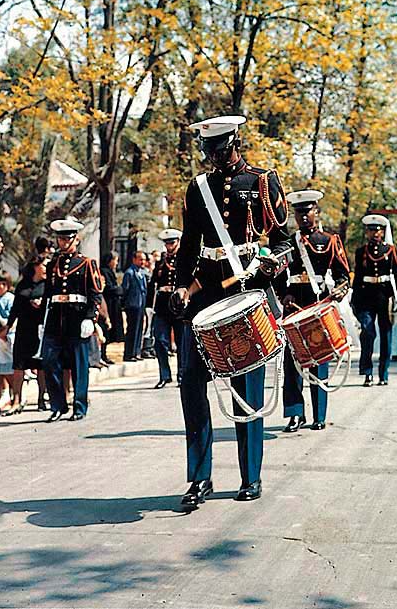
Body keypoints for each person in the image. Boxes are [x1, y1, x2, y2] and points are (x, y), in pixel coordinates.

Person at [171, 115, 291, 507]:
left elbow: (283, 241)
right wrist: (178, 285)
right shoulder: (198, 187)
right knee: (190, 381)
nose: (215, 159)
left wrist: (274, 262)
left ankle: (250, 476)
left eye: (220, 151)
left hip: (246, 291)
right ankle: (199, 478)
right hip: (206, 293)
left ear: (235, 143)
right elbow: (189, 243)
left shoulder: (261, 182)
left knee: (247, 390)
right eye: (209, 152)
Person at [281, 190, 350, 433]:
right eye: (298, 213)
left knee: (320, 358)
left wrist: (339, 292)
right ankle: (295, 414)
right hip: (293, 305)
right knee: (292, 362)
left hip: (318, 302)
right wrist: (283, 293)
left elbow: (343, 275)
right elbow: (278, 275)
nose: (303, 217)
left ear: (316, 212)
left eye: (307, 212)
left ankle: (318, 415)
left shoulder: (329, 241)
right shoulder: (288, 243)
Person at [40, 217, 103, 422]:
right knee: (49, 361)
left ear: (76, 239)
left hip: (77, 319)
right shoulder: (52, 265)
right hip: (56, 319)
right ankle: (58, 405)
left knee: (79, 365)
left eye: (67, 239)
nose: (63, 243)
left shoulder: (86, 263)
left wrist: (90, 318)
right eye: (60, 239)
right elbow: (48, 295)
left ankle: (79, 406)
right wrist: (42, 320)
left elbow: (95, 294)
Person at [351, 214, 397, 387]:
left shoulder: (390, 250)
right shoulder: (361, 252)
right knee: (367, 332)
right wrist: (354, 299)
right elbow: (358, 276)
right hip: (366, 295)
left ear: (382, 232)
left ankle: (384, 373)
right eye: (371, 230)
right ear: (366, 232)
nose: (375, 233)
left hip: (385, 296)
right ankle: (367, 372)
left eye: (378, 230)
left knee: (386, 336)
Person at [7, 256, 48, 414]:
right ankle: (16, 399)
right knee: (19, 365)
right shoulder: (23, 284)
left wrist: (41, 304)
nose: (46, 268)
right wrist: (8, 325)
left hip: (40, 328)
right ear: (36, 266)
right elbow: (16, 307)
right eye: (44, 265)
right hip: (24, 328)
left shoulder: (48, 285)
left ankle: (41, 398)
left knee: (40, 366)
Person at [148, 229, 184, 388]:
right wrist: (149, 306)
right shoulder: (161, 262)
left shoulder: (184, 259)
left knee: (182, 342)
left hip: (179, 305)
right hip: (163, 305)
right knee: (160, 341)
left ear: (178, 242)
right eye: (167, 243)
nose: (169, 246)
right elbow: (153, 283)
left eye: (172, 243)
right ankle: (164, 375)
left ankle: (182, 375)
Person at [122, 250, 148, 362]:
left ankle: (136, 351)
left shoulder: (142, 273)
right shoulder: (129, 272)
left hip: (141, 304)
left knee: (139, 329)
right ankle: (129, 353)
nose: (142, 262)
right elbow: (125, 289)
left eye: (144, 259)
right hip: (132, 305)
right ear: (134, 259)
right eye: (140, 259)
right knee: (132, 330)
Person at [100, 252, 124, 343]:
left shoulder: (110, 272)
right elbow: (109, 288)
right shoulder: (104, 271)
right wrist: (120, 290)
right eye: (115, 260)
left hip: (114, 303)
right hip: (108, 303)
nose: (116, 263)